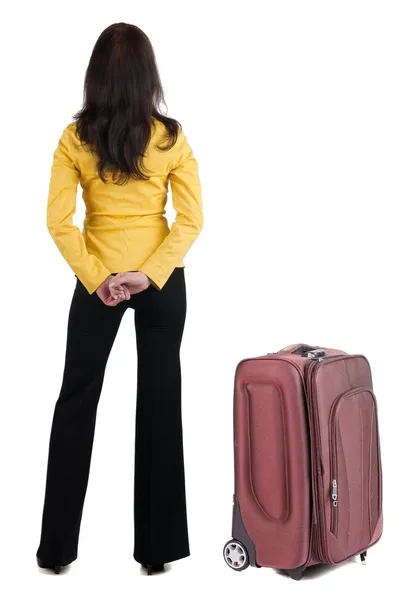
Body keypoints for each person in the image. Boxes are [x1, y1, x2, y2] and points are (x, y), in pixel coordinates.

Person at [36, 22, 203, 576]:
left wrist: (101, 277)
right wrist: (149, 275)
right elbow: (190, 221)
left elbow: (59, 223)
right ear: (147, 77)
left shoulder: (74, 137)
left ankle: (54, 552)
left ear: (97, 78)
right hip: (159, 284)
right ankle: (156, 555)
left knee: (75, 404)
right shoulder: (170, 136)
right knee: (160, 405)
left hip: (98, 284)